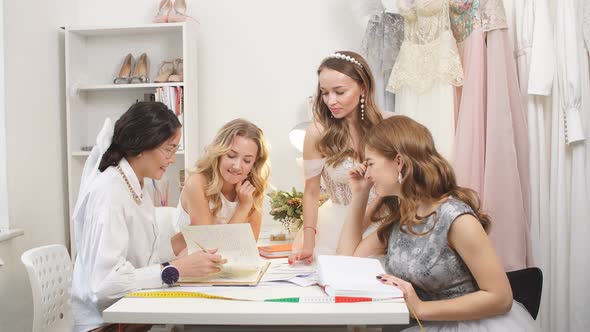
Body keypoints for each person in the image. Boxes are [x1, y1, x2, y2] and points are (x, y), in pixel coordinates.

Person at [338, 115, 539, 331]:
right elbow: (346, 262)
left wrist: (422, 308)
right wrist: (359, 194)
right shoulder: (401, 218)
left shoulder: (456, 218)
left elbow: (500, 298)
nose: (366, 174)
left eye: (370, 163)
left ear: (398, 162)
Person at [71, 102, 225, 332]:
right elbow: (104, 286)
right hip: (104, 324)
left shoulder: (138, 184)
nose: (172, 159)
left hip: (129, 311)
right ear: (141, 145)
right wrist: (176, 269)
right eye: (168, 149)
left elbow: (144, 255)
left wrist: (188, 237)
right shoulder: (110, 192)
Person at [289, 51, 393, 264]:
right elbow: (311, 192)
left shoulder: (389, 124)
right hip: (335, 225)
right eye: (325, 93)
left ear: (363, 87)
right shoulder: (318, 132)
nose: (331, 101)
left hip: (382, 223)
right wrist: (308, 242)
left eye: (339, 92)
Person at [174, 118, 270, 240]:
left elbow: (249, 246)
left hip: (227, 259)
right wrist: (243, 208)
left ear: (254, 163)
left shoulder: (251, 189)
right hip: (186, 257)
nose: (237, 166)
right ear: (219, 153)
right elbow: (208, 246)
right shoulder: (197, 183)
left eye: (247, 160)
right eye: (231, 156)